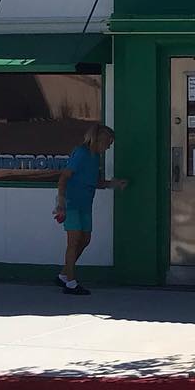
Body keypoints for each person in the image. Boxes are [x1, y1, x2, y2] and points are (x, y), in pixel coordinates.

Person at [55, 123, 127, 295]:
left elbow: (95, 182)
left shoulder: (95, 158)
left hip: (86, 204)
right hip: (72, 204)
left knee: (85, 240)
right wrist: (61, 202)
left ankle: (64, 274)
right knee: (73, 242)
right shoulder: (81, 153)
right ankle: (71, 282)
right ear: (99, 139)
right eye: (108, 143)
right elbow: (64, 177)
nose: (109, 147)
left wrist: (114, 184)